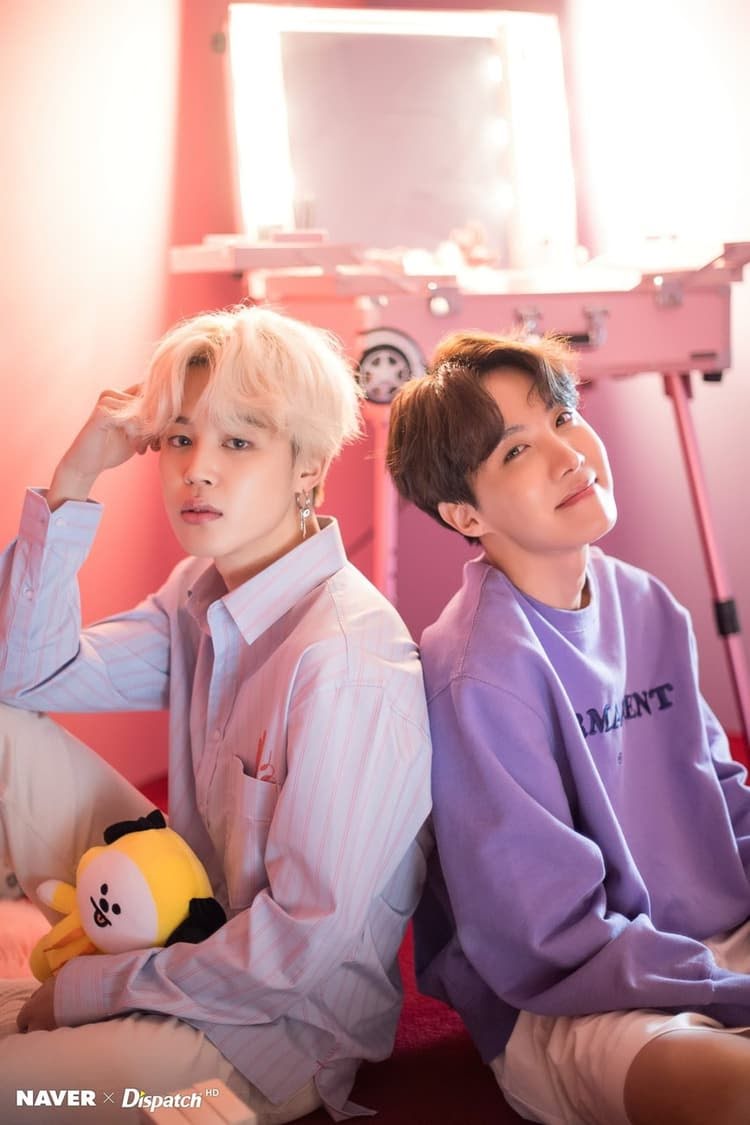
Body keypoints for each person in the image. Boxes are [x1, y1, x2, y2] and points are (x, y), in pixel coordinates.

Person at [0, 304, 432, 1124]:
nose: (197, 469)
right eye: (179, 438)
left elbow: (296, 952)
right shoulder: (199, 594)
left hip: (272, 1036)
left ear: (308, 467)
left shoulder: (347, 663)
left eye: (238, 441)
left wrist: (89, 987)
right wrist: (75, 477)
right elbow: (24, 676)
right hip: (179, 919)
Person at [386, 329, 750, 1125]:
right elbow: (545, 937)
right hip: (578, 999)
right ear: (464, 512)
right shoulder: (476, 671)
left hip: (712, 940)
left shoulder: (647, 601)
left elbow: (724, 799)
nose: (568, 454)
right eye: (517, 450)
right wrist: (726, 987)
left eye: (562, 417)